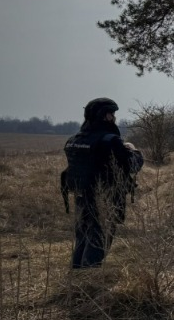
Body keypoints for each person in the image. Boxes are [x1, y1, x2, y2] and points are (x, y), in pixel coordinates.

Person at [62, 98, 145, 269]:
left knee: (83, 237)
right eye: (111, 114)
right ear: (105, 116)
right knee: (99, 239)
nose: (114, 118)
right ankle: (88, 282)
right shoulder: (109, 140)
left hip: (80, 195)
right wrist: (133, 150)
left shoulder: (74, 140)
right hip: (105, 197)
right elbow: (132, 165)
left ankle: (76, 277)